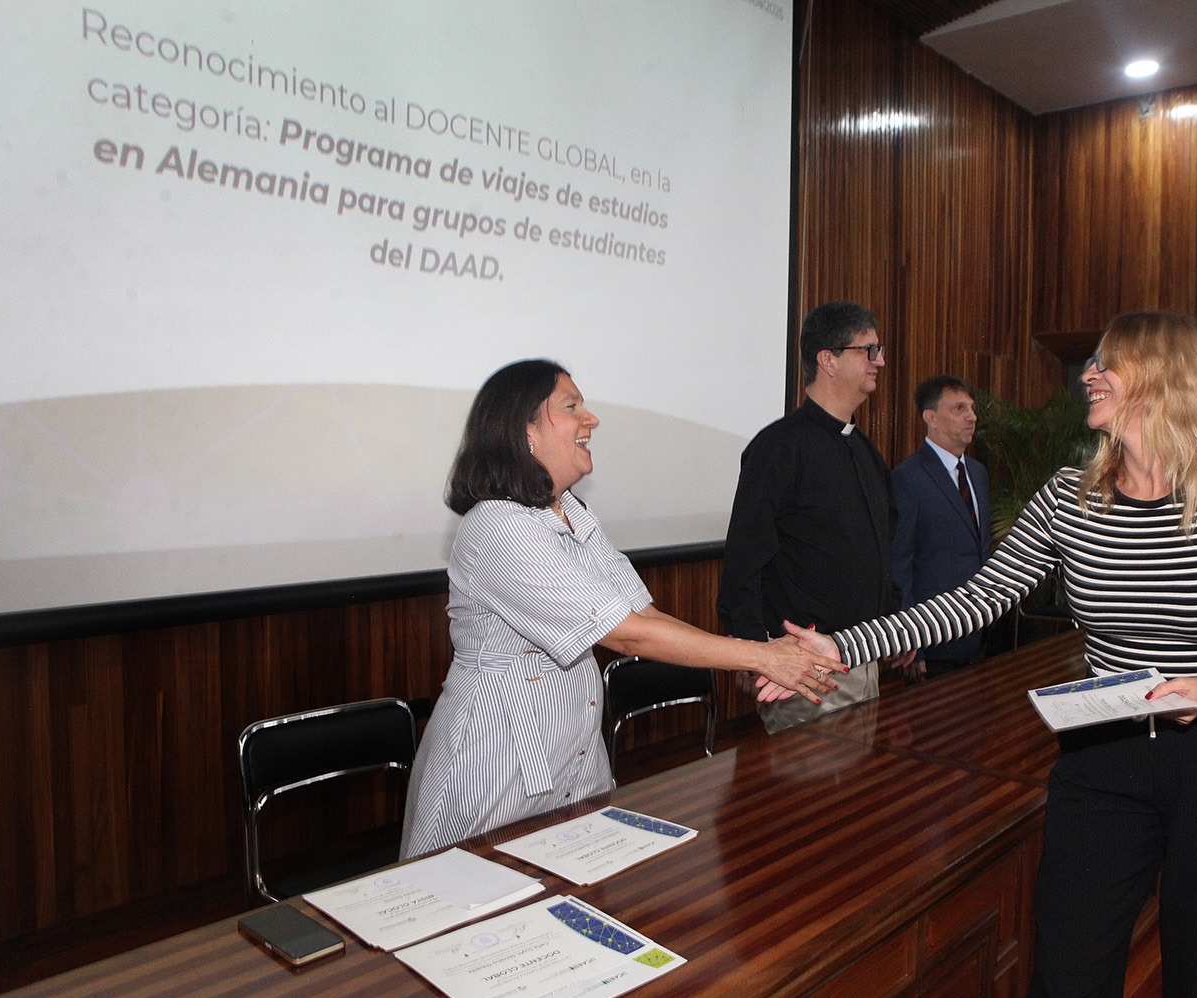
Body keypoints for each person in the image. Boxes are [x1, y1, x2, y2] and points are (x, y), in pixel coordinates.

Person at [788, 311, 1197, 998]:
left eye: (1108, 363)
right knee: (1067, 968)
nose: (1088, 375)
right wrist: (844, 646)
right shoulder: (1069, 497)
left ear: (1167, 377)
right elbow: (977, 598)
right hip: (1104, 752)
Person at [400, 359, 836, 859]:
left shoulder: (572, 513)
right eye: (571, 407)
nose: (591, 419)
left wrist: (765, 653)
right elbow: (626, 634)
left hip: (570, 754)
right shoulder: (497, 524)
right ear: (524, 430)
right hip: (495, 763)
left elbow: (643, 616)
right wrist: (761, 657)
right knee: (478, 899)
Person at [716, 300, 903, 733]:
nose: (879, 361)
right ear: (828, 360)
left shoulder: (866, 451)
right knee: (812, 776)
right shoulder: (778, 448)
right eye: (868, 350)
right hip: (804, 667)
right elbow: (744, 560)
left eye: (878, 350)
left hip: (864, 655)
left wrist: (893, 625)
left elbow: (881, 550)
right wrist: (753, 651)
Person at [891, 375, 991, 679]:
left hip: (980, 637)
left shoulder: (978, 473)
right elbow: (899, 566)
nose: (971, 417)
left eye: (972, 408)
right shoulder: (908, 478)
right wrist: (912, 643)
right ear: (930, 418)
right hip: (933, 644)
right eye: (959, 408)